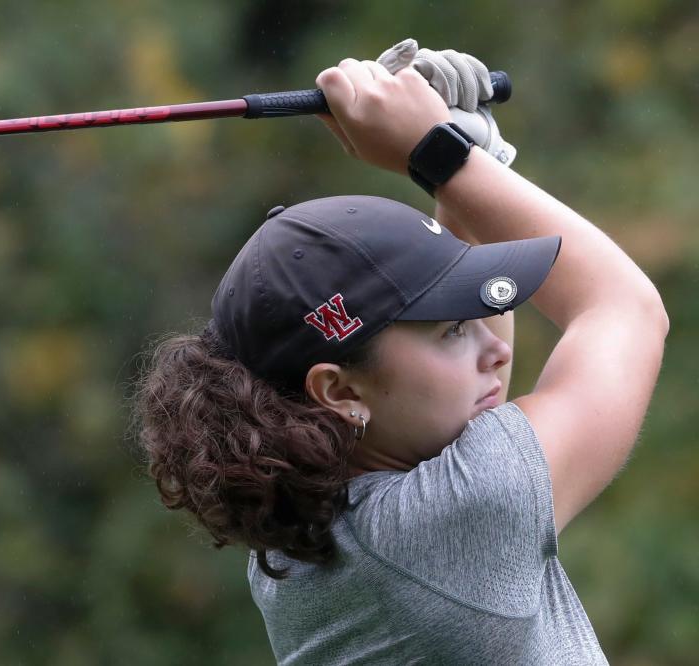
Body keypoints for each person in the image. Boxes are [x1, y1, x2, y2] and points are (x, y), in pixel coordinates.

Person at [133, 41, 668, 664]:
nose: (495, 348)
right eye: (450, 332)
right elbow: (623, 308)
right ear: (338, 391)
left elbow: (460, 378)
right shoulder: (462, 516)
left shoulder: (297, 529)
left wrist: (470, 164)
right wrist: (439, 154)